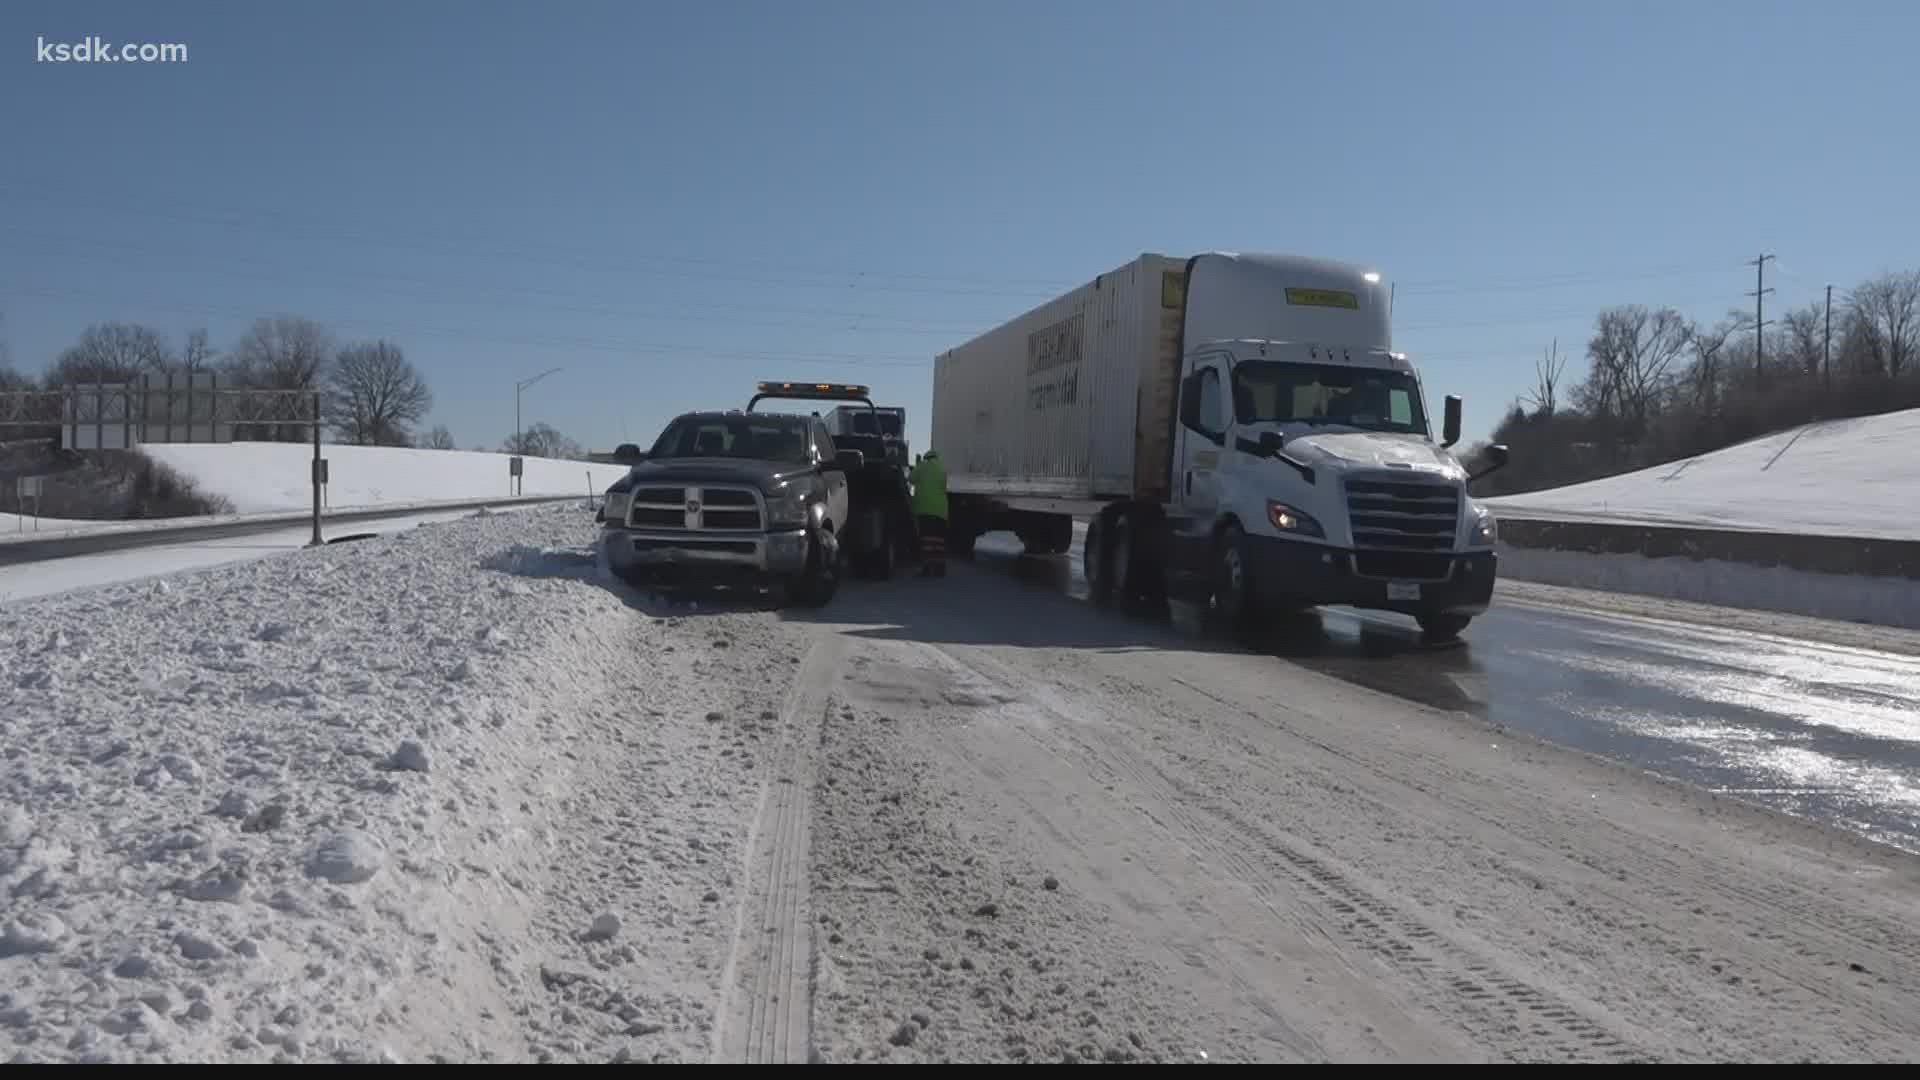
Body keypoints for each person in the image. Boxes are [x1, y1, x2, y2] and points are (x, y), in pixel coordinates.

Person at [909, 449, 948, 577]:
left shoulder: (922, 466)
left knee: (926, 539)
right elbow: (943, 486)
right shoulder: (942, 469)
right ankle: (940, 567)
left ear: (926, 457)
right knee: (938, 540)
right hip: (941, 510)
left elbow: (911, 479)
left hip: (925, 508)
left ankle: (927, 567)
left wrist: (917, 465)